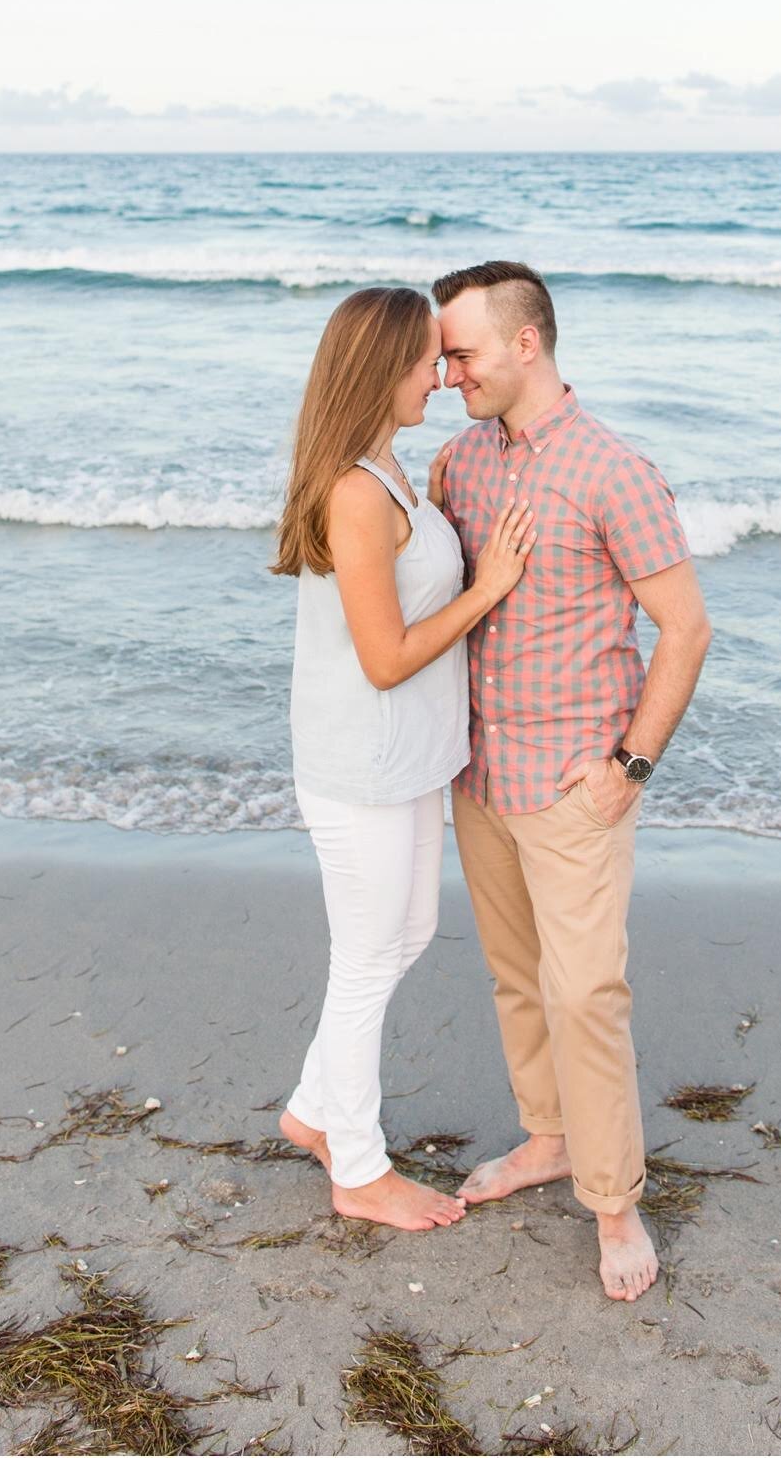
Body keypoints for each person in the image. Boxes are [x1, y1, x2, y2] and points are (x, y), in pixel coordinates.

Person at [428, 260, 712, 1301]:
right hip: (478, 773)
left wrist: (630, 763)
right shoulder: (456, 464)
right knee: (515, 976)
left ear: (526, 343)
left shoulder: (614, 472)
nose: (447, 368)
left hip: (573, 781)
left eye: (461, 349)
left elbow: (685, 627)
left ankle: (613, 1198)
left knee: (585, 991)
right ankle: (546, 1137)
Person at [271, 284, 536, 1231]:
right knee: (368, 960)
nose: (442, 372)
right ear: (384, 370)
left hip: (410, 760)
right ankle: (358, 1168)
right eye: (430, 358)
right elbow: (385, 660)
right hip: (362, 766)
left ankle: (313, 1112)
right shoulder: (353, 491)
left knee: (405, 936)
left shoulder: (388, 476)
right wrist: (490, 587)